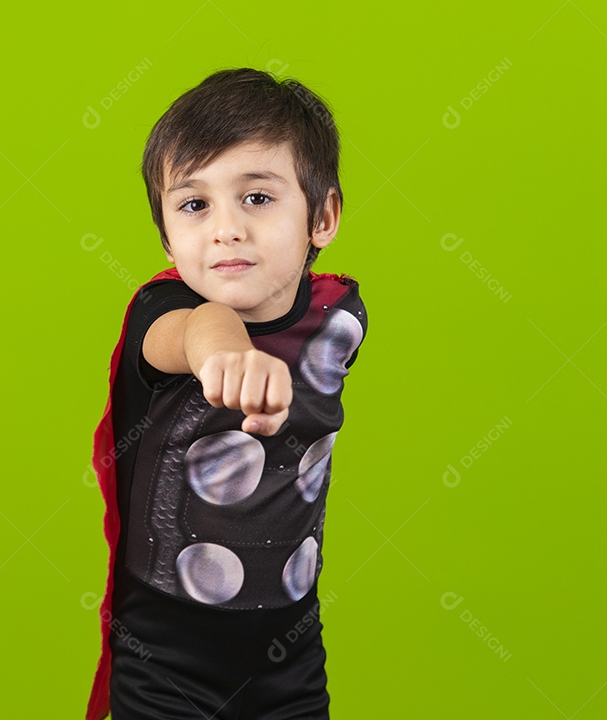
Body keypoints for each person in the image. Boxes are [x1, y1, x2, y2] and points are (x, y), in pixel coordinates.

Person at [86, 66, 368, 720]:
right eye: (194, 205)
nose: (225, 229)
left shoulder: (341, 318)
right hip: (166, 657)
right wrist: (228, 353)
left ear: (322, 216)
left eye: (258, 198)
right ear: (166, 236)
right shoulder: (161, 313)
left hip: (291, 649)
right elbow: (194, 331)